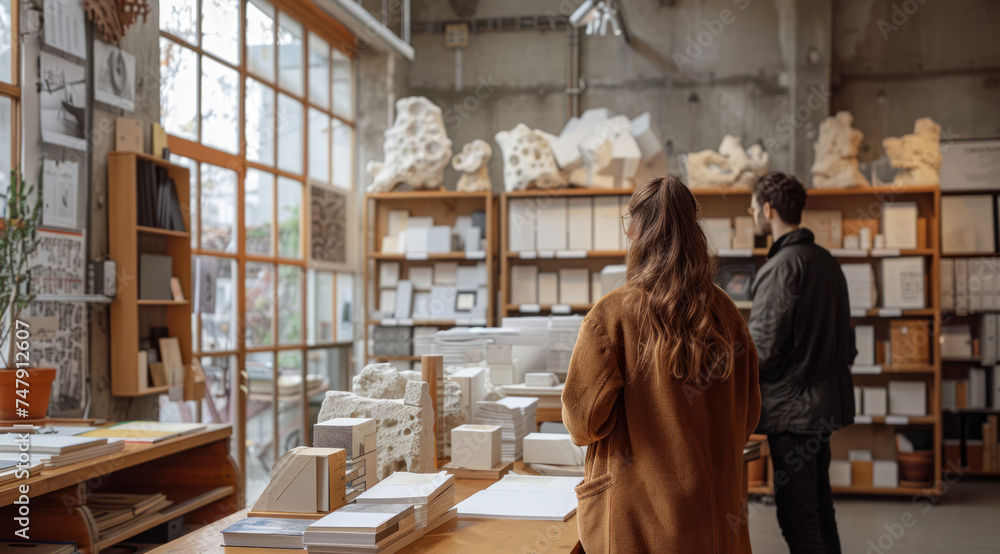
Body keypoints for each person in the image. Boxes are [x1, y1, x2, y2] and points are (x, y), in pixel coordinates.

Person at [562, 176, 761, 553]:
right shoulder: (727, 312)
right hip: (714, 517)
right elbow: (748, 416)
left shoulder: (612, 315)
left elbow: (582, 424)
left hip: (639, 520)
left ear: (634, 229)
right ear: (693, 230)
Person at [747, 172, 857, 554]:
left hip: (792, 415)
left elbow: (761, 349)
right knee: (820, 511)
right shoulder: (827, 262)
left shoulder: (781, 267)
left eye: (752, 206)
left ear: (767, 209)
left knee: (798, 519)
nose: (750, 212)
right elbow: (848, 344)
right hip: (823, 409)